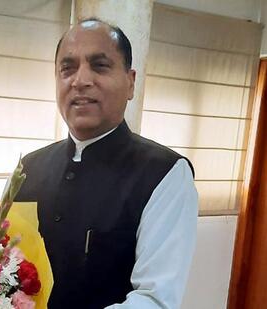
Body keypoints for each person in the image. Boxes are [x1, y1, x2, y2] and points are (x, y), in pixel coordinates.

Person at [15, 18, 198, 308]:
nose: (80, 80)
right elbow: (2, 266)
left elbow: (155, 299)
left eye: (100, 65)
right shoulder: (29, 167)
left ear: (130, 82)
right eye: (68, 68)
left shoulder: (165, 173)